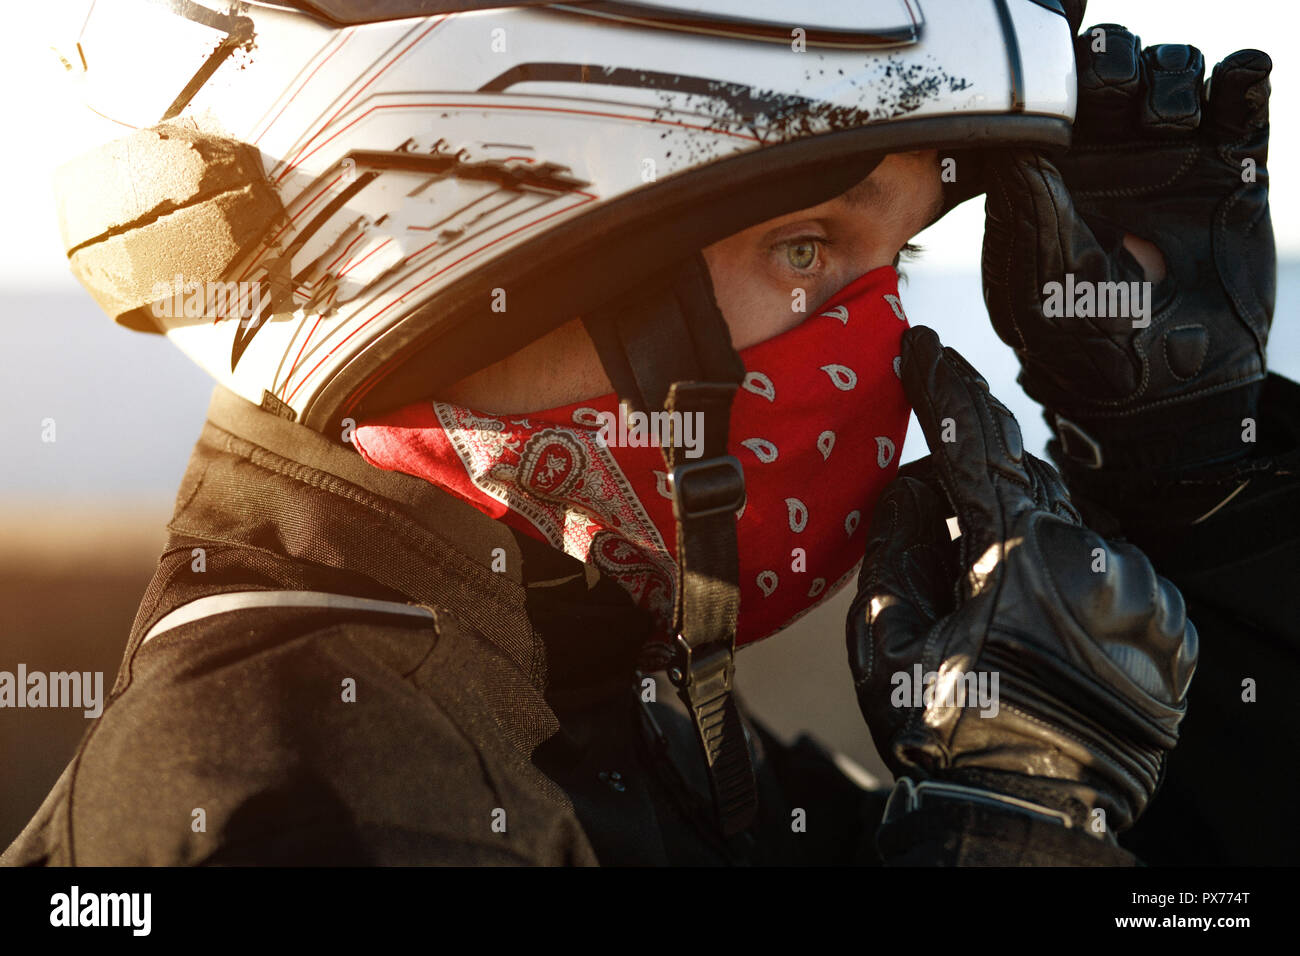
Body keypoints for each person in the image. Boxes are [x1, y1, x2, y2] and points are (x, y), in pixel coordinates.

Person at [0, 0, 1283, 866]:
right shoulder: (293, 797)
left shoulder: (597, 690)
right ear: (491, 255)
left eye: (897, 258)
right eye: (808, 247)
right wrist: (1006, 826)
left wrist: (1196, 493)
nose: (882, 337)